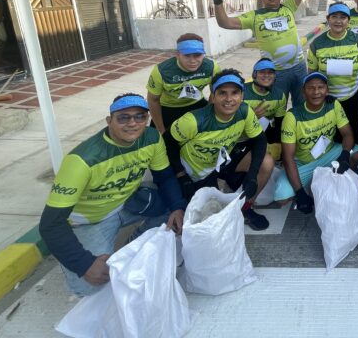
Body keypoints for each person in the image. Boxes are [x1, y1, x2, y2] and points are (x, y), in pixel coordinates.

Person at [38, 93, 186, 296]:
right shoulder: (81, 160)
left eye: (140, 116)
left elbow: (165, 177)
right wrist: (84, 264)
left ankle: (132, 246)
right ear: (109, 121)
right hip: (91, 220)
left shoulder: (151, 138)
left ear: (147, 119)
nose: (132, 123)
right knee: (90, 287)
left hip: (128, 202)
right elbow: (50, 224)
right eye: (123, 117)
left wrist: (178, 207)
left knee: (174, 211)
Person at [164, 70, 274, 231]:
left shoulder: (245, 111)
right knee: (203, 220)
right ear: (213, 96)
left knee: (267, 162)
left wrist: (252, 175)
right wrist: (181, 176)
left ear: (242, 96)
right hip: (195, 172)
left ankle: (245, 207)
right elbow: (167, 143)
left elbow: (259, 139)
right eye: (222, 93)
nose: (229, 99)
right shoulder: (193, 120)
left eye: (235, 93)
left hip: (222, 161)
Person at [209, 0, 307, 106]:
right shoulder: (254, 16)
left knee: (302, 104)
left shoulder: (288, 7)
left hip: (299, 68)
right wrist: (218, 2)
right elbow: (225, 23)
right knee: (276, 107)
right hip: (275, 73)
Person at [273, 72, 358, 211]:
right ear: (303, 91)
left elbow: (347, 134)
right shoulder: (292, 116)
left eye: (320, 87)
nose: (316, 92)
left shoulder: (334, 105)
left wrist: (344, 154)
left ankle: (340, 183)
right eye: (311, 88)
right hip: (303, 162)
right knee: (281, 198)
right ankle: (306, 185)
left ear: (327, 90)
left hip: (329, 153)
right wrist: (300, 192)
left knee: (356, 153)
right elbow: (288, 157)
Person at [307, 2, 358, 144]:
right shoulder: (317, 43)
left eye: (343, 17)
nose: (338, 21)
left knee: (356, 132)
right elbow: (312, 73)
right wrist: (319, 95)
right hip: (329, 98)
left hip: (354, 95)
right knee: (333, 136)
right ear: (328, 19)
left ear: (348, 21)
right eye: (334, 17)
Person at [146, 33, 220, 135]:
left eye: (197, 55)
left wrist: (208, 114)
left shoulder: (211, 67)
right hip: (168, 108)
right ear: (177, 54)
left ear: (203, 54)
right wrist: (161, 129)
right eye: (187, 55)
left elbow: (216, 92)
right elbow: (152, 100)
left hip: (196, 104)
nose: (192, 61)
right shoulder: (161, 71)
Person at [243, 58, 287, 161]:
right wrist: (252, 116)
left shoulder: (279, 95)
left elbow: (279, 123)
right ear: (254, 75)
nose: (266, 75)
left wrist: (277, 143)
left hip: (264, 129)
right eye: (262, 72)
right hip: (243, 131)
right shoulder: (242, 92)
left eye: (270, 72)